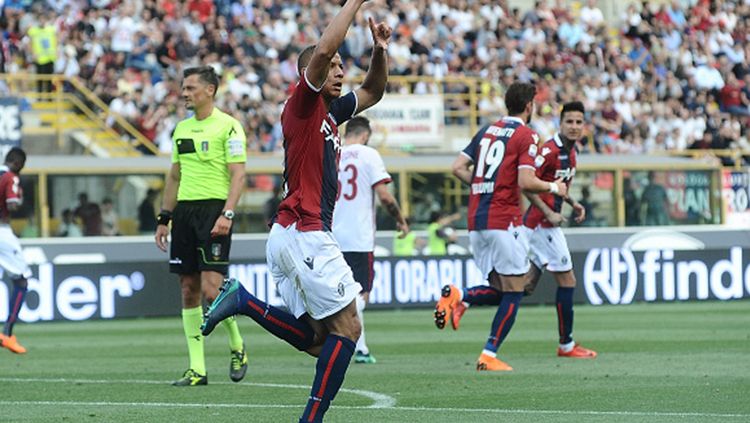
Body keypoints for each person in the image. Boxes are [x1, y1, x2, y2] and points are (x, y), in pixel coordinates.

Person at [201, 2, 391, 421]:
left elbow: (375, 91)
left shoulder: (331, 112)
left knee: (320, 341)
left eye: (344, 66)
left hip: (291, 235)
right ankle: (312, 419)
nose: (341, 71)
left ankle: (245, 302)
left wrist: (378, 50)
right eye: (336, 66)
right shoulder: (302, 105)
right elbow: (322, 52)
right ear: (316, 75)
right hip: (306, 232)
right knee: (350, 331)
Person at [437, 82, 567, 371]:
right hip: (504, 220)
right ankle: (488, 353)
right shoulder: (526, 135)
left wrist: (484, 188)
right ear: (529, 106)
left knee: (503, 288)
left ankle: (463, 298)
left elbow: (457, 167)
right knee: (515, 291)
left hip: (476, 222)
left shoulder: (486, 131)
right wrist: (555, 187)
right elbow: (525, 182)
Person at [154, 66, 248, 387]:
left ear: (210, 90)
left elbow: (238, 175)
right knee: (188, 290)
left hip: (214, 212)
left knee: (211, 289)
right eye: (183, 88)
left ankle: (237, 344)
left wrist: (229, 213)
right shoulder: (181, 129)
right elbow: (174, 176)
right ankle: (198, 369)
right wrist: (165, 217)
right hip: (184, 213)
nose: (184, 93)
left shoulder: (229, 127)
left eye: (191, 87)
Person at [522, 101, 597, 358]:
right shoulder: (549, 151)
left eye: (579, 122)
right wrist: (549, 213)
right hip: (540, 224)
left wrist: (573, 204)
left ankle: (464, 297)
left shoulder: (571, 152)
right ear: (560, 123)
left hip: (545, 224)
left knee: (524, 285)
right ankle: (566, 345)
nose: (574, 127)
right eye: (570, 122)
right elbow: (528, 186)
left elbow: (558, 187)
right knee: (568, 281)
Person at [332, 116, 409, 364]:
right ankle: (356, 346)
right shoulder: (368, 154)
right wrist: (400, 219)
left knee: (340, 293)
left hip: (331, 236)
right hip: (359, 236)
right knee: (360, 295)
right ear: (365, 135)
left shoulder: (333, 153)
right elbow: (385, 196)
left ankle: (358, 347)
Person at [0, 148, 32, 354]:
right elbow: (12, 205)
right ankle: (8, 334)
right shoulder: (11, 177)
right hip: (1, 233)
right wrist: (19, 197)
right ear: (18, 162)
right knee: (21, 281)